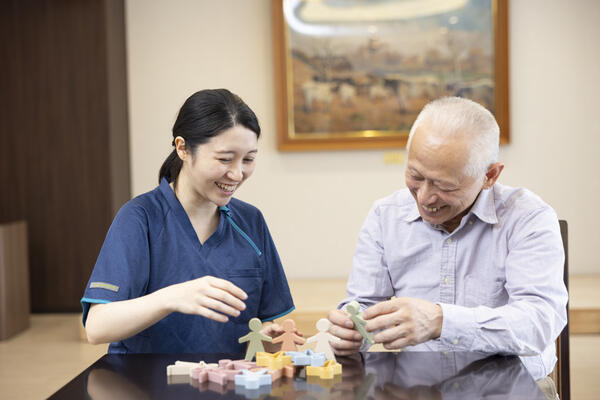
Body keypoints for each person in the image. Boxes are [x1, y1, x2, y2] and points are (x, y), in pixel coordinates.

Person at [327, 97, 567, 397]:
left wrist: (442, 321)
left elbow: (539, 322)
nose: (425, 198)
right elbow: (363, 305)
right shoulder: (385, 215)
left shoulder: (528, 217)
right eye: (415, 176)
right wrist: (351, 330)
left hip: (514, 390)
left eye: (445, 186)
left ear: (490, 176)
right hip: (416, 390)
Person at [81, 89, 294, 354]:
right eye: (224, 159)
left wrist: (266, 335)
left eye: (248, 159)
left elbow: (266, 321)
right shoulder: (139, 218)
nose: (237, 173)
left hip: (229, 385)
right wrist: (171, 298)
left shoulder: (250, 221)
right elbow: (97, 327)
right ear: (182, 148)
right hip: (147, 387)